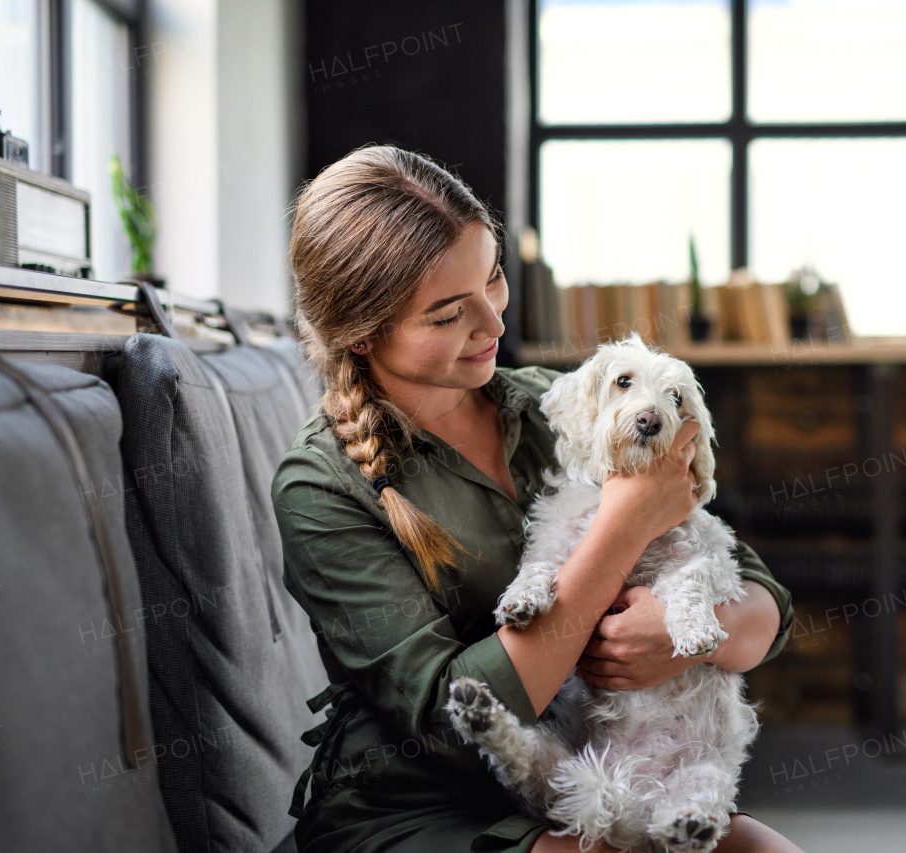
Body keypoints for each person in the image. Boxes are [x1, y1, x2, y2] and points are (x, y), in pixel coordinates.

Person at [272, 145, 804, 853]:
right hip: (424, 802)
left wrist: (678, 635)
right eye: (446, 314)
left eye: (493, 278)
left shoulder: (560, 407)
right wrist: (623, 525)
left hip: (608, 765)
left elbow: (765, 599)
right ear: (365, 333)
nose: (493, 324)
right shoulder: (320, 486)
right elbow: (450, 720)